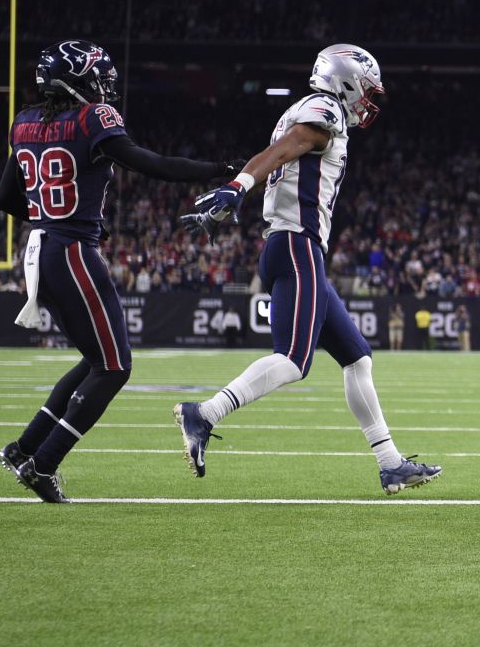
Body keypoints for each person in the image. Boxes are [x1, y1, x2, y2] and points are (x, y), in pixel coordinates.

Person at [174, 44, 441, 494]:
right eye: (366, 91)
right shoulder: (323, 111)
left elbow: (279, 151)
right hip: (298, 245)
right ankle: (204, 413)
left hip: (292, 246)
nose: (367, 101)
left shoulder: (304, 109)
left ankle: (390, 462)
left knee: (357, 358)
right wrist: (238, 186)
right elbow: (289, 147)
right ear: (344, 80)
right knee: (294, 360)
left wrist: (240, 186)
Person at [0, 39, 240, 502]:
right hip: (72, 253)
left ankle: (24, 447)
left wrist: (51, 217)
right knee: (114, 367)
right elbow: (151, 164)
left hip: (39, 250)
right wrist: (221, 170)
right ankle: (43, 464)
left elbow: (6, 199)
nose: (106, 85)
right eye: (99, 76)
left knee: (96, 360)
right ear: (77, 79)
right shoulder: (92, 119)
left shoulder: (23, 123)